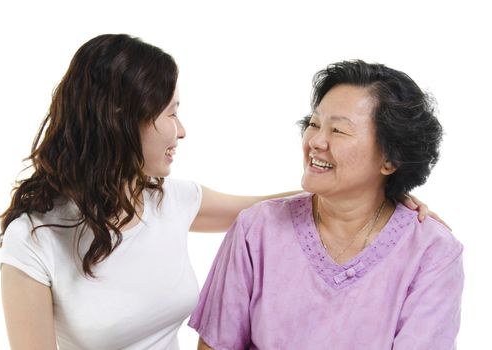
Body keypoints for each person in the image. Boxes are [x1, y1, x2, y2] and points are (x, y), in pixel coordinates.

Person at [0, 35, 433, 350]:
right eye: (170, 114)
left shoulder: (170, 199)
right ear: (120, 120)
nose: (181, 131)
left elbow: (278, 209)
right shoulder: (34, 238)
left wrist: (382, 195)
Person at [189, 60, 463, 349]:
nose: (316, 141)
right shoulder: (256, 229)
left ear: (390, 159)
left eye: (338, 131)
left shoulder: (432, 251)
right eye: (314, 124)